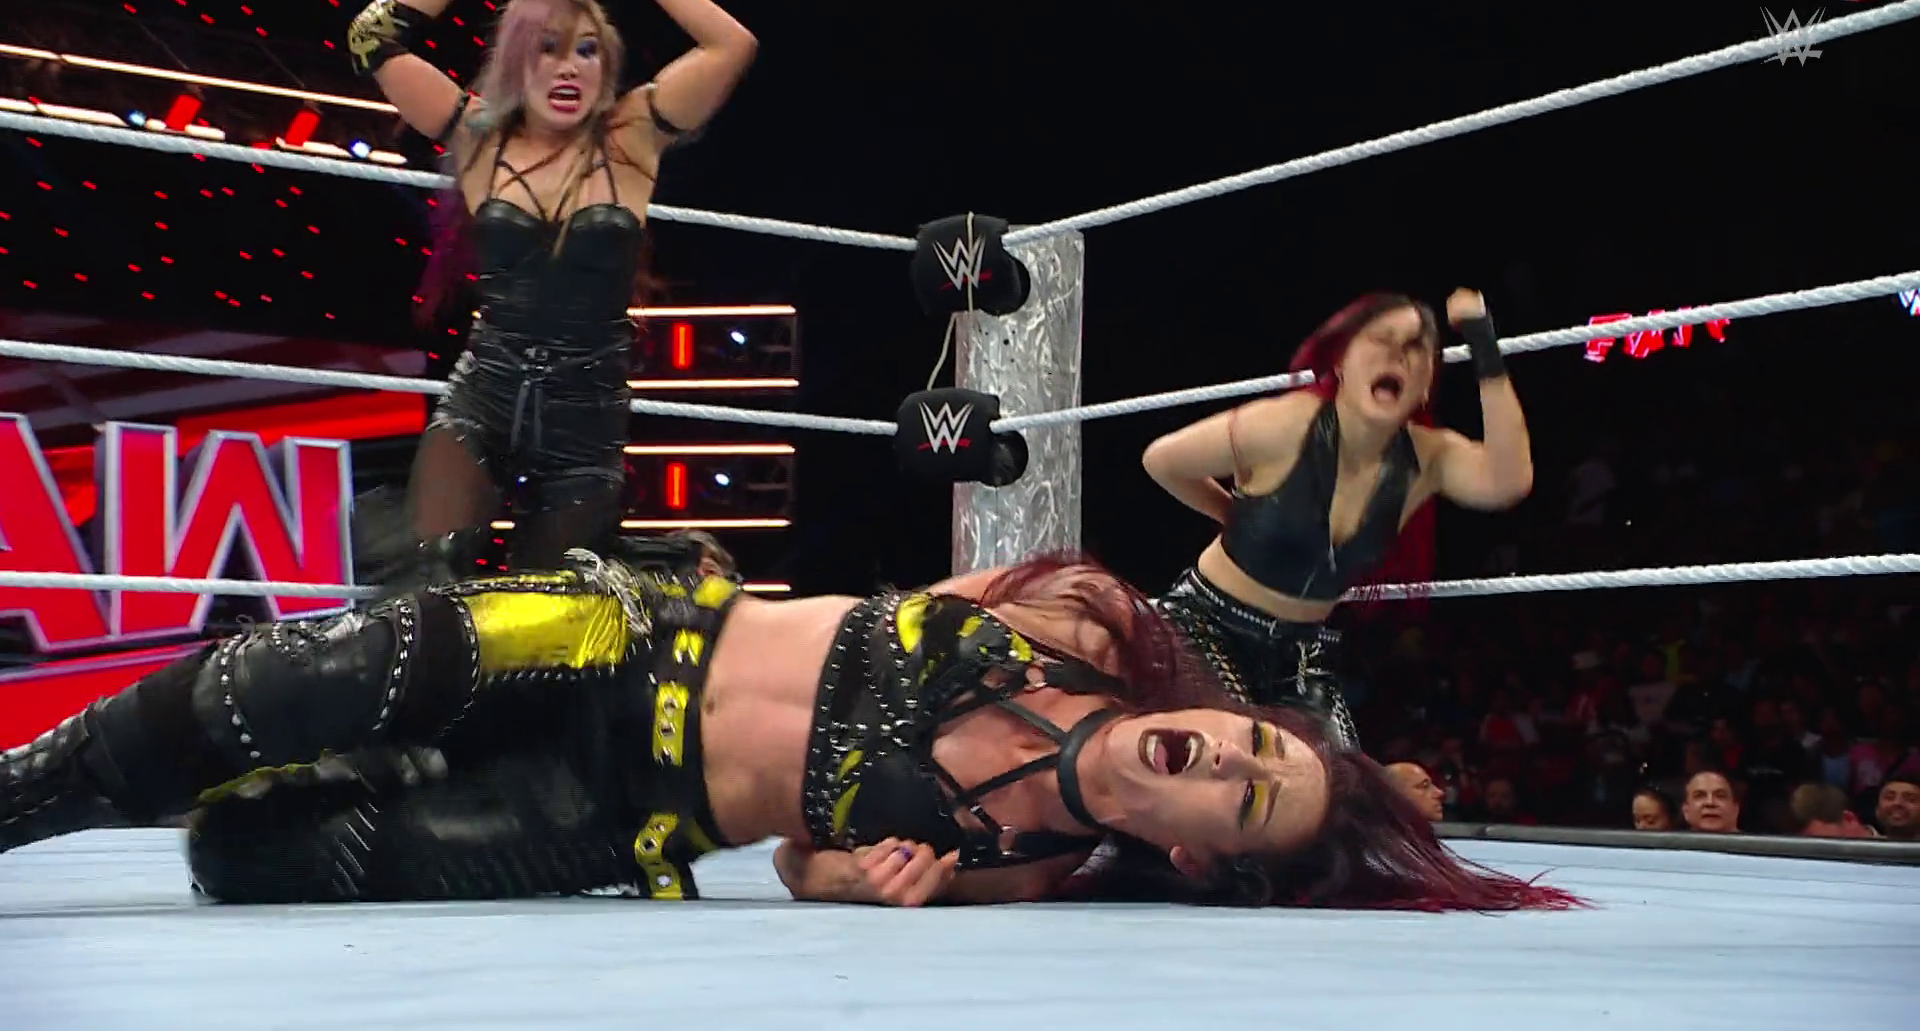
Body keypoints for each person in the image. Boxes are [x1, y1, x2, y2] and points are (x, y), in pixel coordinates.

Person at [0, 544, 1577, 913]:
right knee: (258, 690)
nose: (1228, 760)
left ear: (1195, 856)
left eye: (1246, 802)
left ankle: (381, 769)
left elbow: (803, 862)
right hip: (626, 638)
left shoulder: (1022, 866)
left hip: (621, 813)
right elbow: (881, 609)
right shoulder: (1082, 621)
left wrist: (850, 883)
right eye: (1258, 746)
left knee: (254, 856)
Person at [347, 0, 756, 586]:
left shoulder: (633, 134)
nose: (569, 67)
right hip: (485, 395)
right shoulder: (479, 134)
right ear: (517, 61)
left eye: (587, 51)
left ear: (606, 66)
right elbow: (370, 38)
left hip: (586, 416)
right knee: (427, 580)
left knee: (551, 609)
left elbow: (732, 44)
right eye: (548, 48)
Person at [1143, 289, 1533, 749]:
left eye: (1415, 348)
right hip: (1207, 627)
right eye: (1382, 339)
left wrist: (1483, 343)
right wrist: (1232, 513)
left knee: (1339, 781)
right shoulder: (1286, 425)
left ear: (1426, 384)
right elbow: (1163, 461)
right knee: (1233, 761)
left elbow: (1507, 482)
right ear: (1342, 363)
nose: (1397, 355)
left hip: (1301, 655)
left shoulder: (1428, 459)